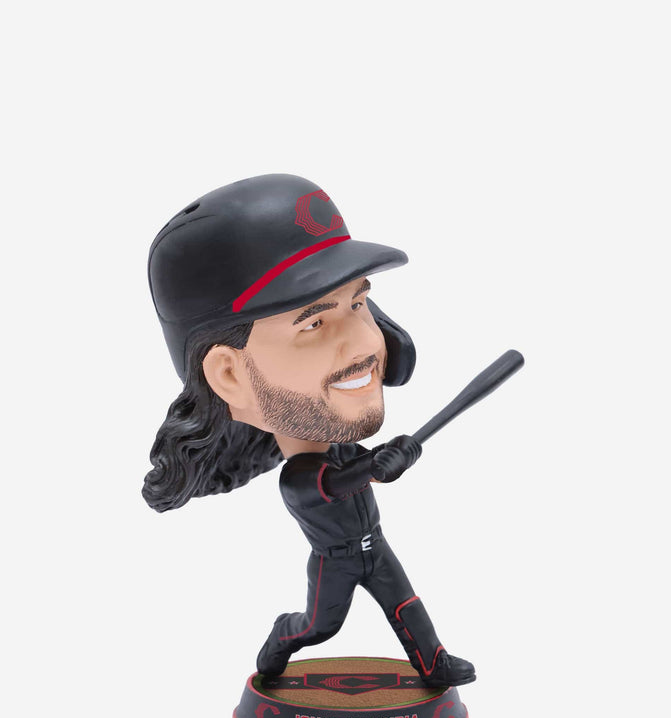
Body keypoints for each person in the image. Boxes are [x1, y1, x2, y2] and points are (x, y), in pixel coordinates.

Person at [144, 173, 475, 687]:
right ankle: (284, 636)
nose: (364, 343)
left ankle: (434, 663)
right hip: (336, 562)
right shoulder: (299, 478)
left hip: (373, 545)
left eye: (358, 304)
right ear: (229, 375)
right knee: (320, 626)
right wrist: (382, 463)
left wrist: (385, 459)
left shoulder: (342, 444)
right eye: (314, 324)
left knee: (405, 603)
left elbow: (356, 469)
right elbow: (341, 482)